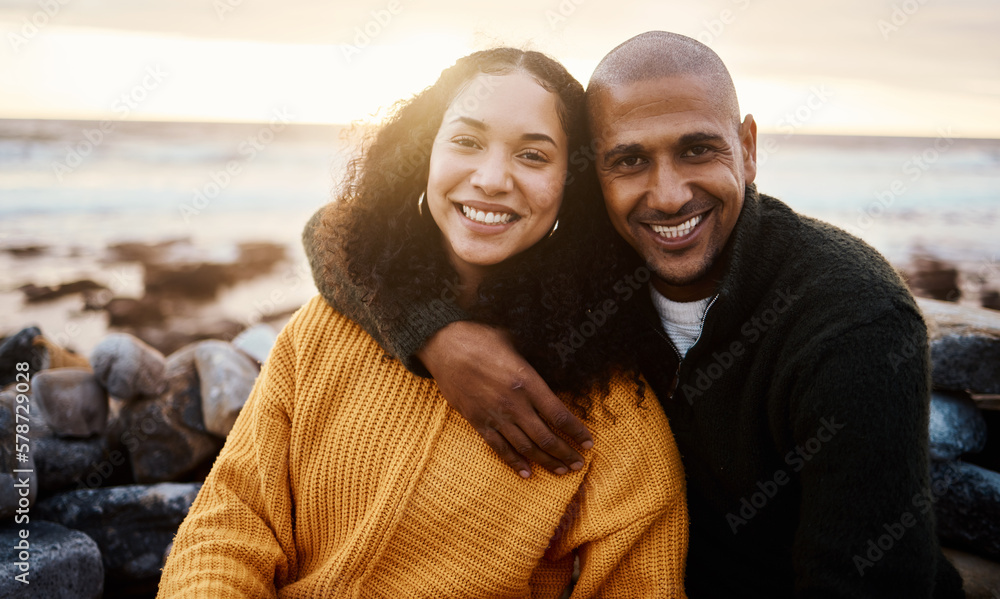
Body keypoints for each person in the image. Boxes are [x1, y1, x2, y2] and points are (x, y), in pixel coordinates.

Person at [305, 32, 967, 597]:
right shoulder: (585, 275)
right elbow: (338, 232)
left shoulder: (851, 320)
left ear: (748, 147)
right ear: (592, 175)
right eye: (630, 160)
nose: (669, 194)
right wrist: (436, 336)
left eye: (698, 149)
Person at [157, 48, 689, 598]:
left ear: (571, 185)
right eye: (466, 141)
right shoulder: (323, 329)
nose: (490, 178)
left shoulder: (610, 411)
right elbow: (230, 522)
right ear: (423, 153)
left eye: (532, 155)